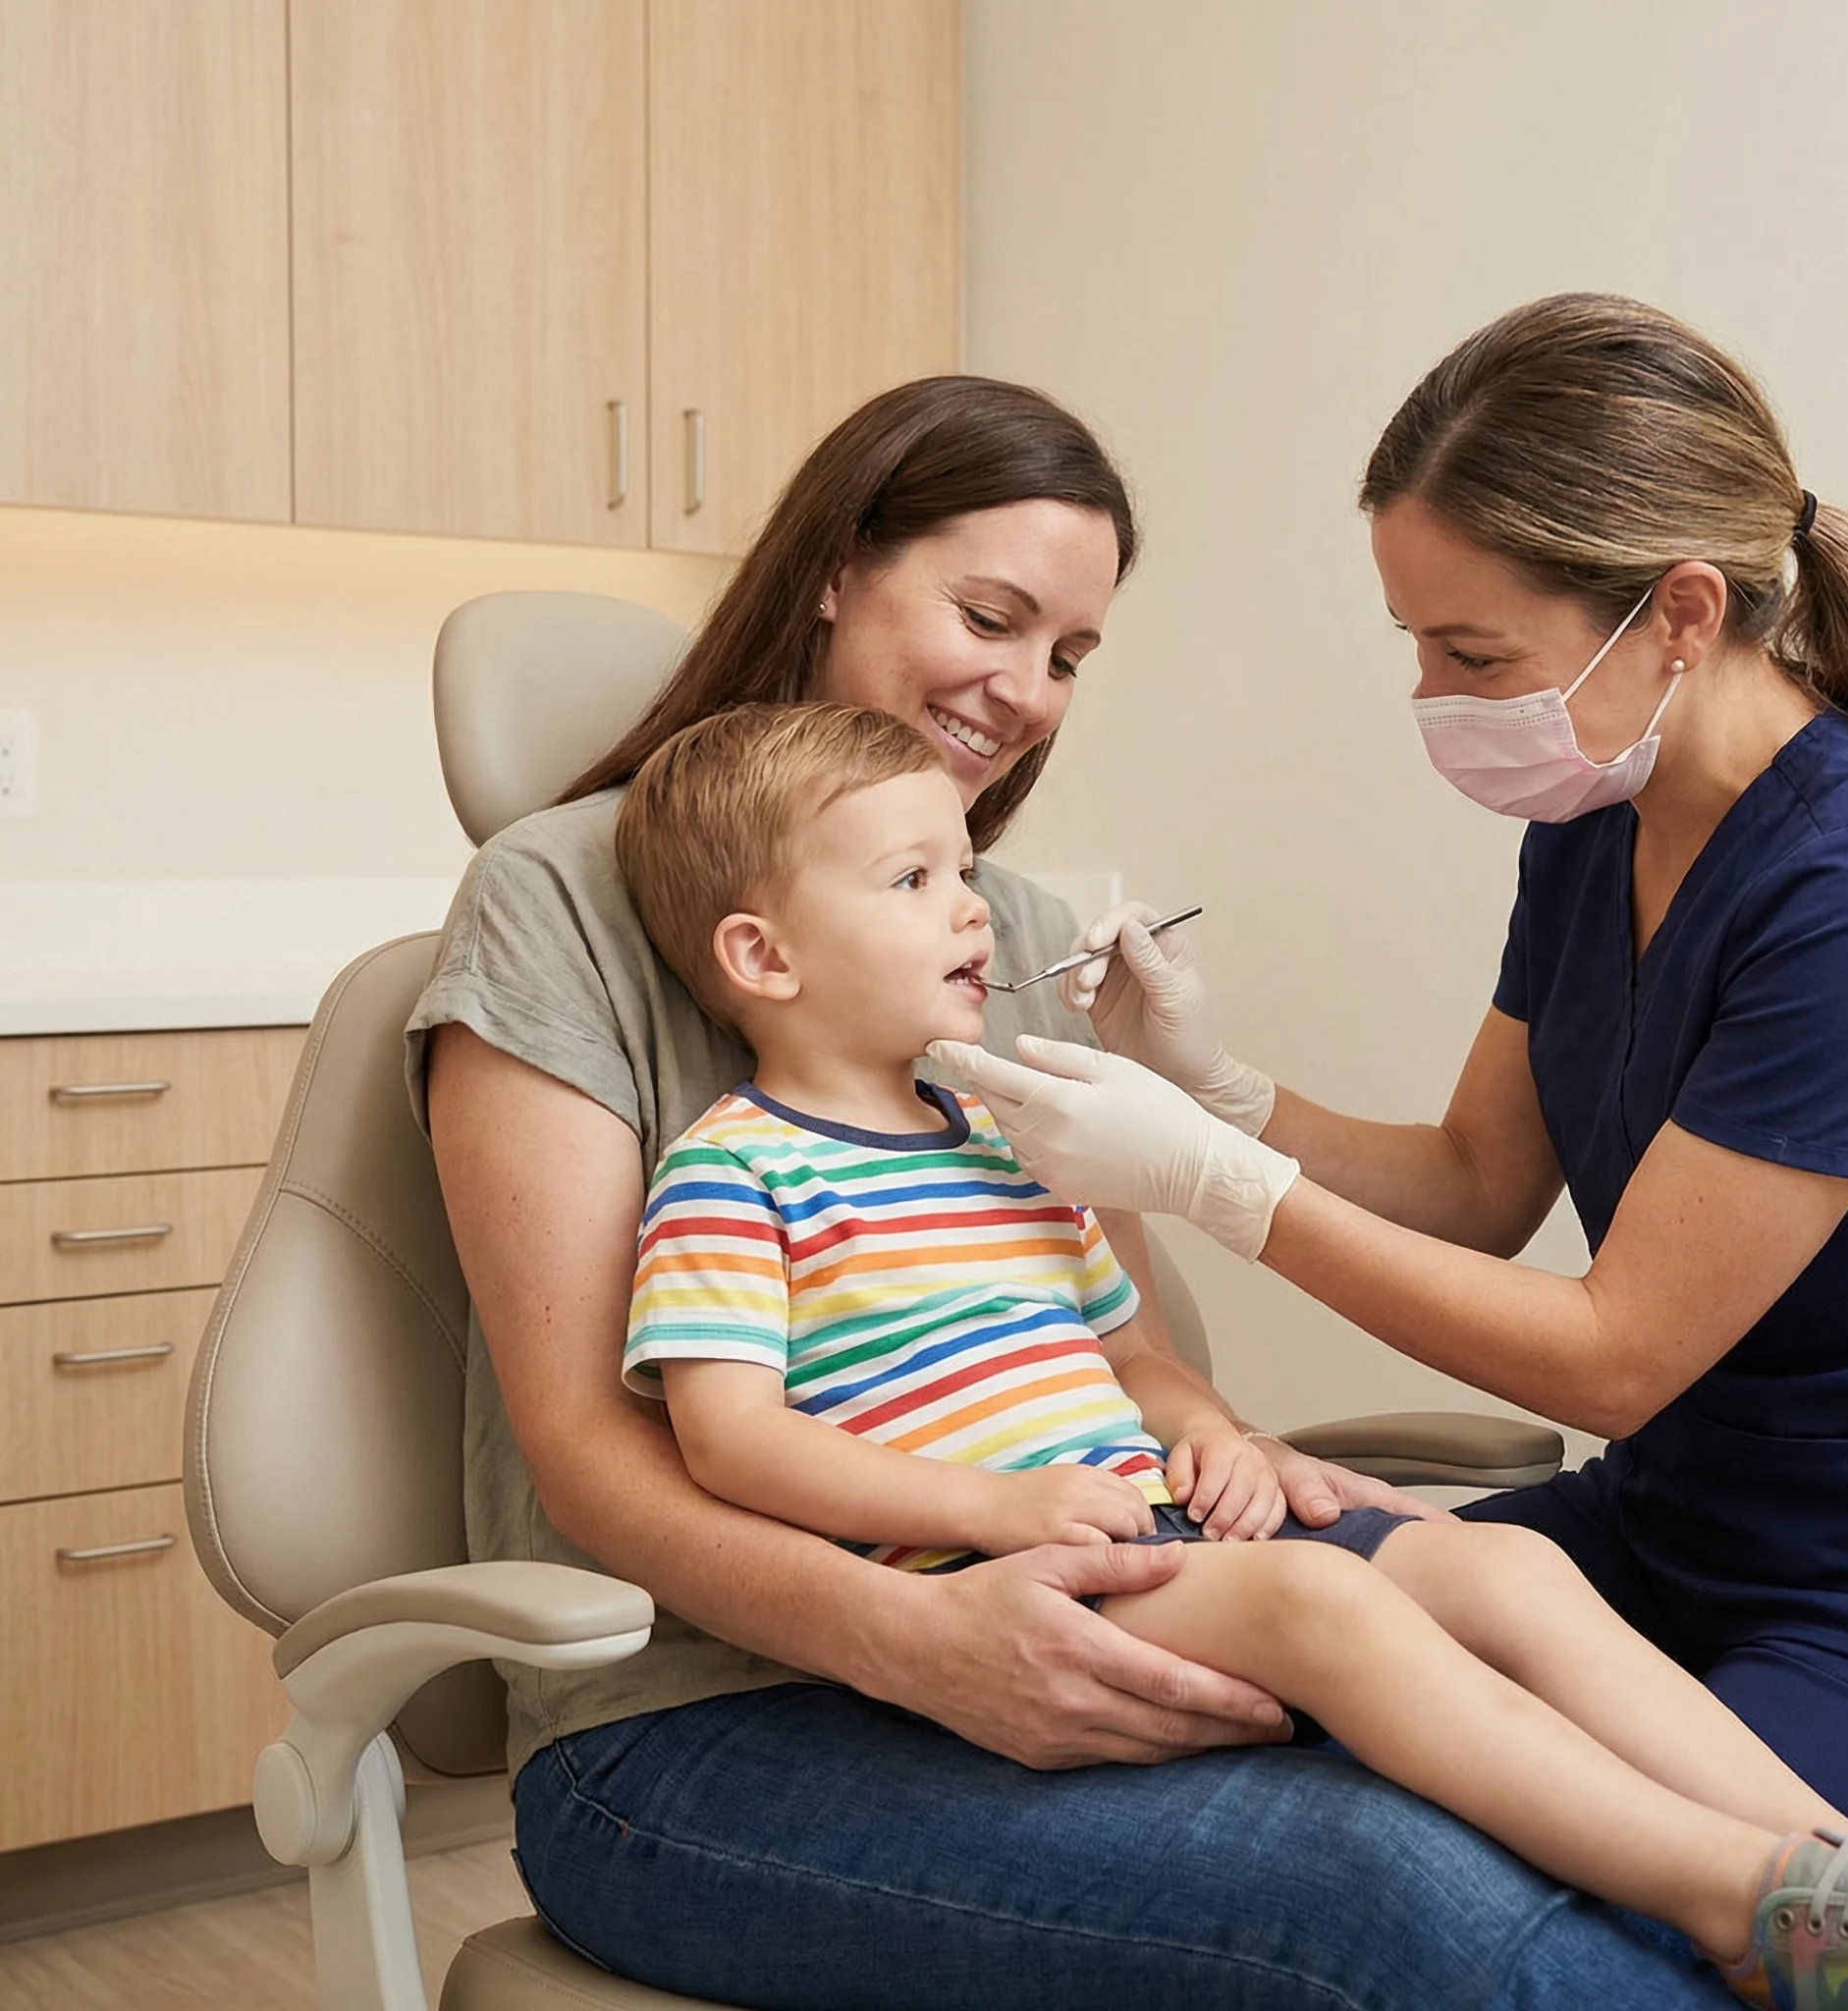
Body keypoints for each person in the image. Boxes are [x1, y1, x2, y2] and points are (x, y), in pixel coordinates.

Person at [411, 371, 1757, 2007]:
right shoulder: (554, 899)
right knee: (1403, 1892)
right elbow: (591, 1461)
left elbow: (1111, 1337)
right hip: (704, 1723)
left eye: (1071, 654)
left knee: (1510, 1710)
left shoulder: (998, 936)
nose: (1027, 692)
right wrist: (918, 1642)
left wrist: (1222, 1438)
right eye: (990, 616)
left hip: (1090, 1572)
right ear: (836, 564)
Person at [614, 695, 1848, 2011]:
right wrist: (989, 1506)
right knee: (1328, 1615)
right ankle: (1742, 1900)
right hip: (1009, 1581)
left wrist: (1205, 1425)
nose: (974, 905)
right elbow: (730, 1440)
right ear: (762, 957)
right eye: (914, 881)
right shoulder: (738, 1172)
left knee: (1504, 1562)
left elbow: (1128, 1364)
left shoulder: (1004, 1144)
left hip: (1146, 1534)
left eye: (967, 867)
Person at [937, 296, 1848, 1853]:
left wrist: (1213, 1183)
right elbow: (1476, 1189)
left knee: (1476, 1869)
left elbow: (1608, 1357)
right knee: (1198, 1671)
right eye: (1419, 643)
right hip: (1657, 1532)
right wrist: (1218, 1084)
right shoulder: (1592, 827)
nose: (1436, 692)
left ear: (1684, 614)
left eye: (1475, 648)